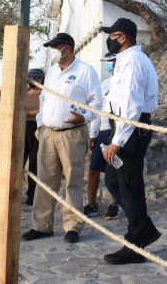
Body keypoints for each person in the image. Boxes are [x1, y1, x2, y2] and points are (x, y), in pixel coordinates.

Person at [21, 32, 102, 244]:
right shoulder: (52, 73)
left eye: (57, 47)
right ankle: (41, 226)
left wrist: (83, 117)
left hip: (72, 134)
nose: (55, 51)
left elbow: (97, 102)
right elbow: (45, 100)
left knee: (73, 181)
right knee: (44, 181)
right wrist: (40, 126)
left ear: (67, 47)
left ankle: (72, 226)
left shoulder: (86, 71)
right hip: (48, 133)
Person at [101, 18, 160, 265]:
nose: (109, 40)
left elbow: (131, 105)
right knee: (114, 181)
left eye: (112, 35)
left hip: (132, 129)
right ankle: (143, 228)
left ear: (122, 37)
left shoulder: (134, 61)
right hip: (123, 126)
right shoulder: (125, 61)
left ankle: (135, 243)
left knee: (129, 186)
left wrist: (118, 140)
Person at [83, 52, 119, 220]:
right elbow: (97, 110)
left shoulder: (124, 82)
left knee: (116, 169)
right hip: (103, 131)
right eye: (107, 61)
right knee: (93, 168)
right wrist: (92, 134)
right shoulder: (103, 84)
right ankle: (91, 204)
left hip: (117, 129)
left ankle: (114, 205)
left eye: (111, 61)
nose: (109, 64)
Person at [23, 68, 45, 206]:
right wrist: (34, 112)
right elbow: (19, 111)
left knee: (35, 164)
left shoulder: (45, 94)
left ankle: (32, 194)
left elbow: (45, 111)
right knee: (19, 161)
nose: (34, 80)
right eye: (31, 77)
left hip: (38, 129)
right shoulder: (23, 94)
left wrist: (30, 113)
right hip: (23, 129)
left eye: (36, 78)